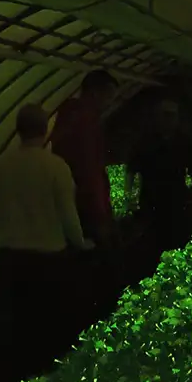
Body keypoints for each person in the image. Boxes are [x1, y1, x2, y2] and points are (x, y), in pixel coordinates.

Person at [0, 104, 94, 346]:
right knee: (48, 329)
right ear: (45, 130)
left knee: (18, 329)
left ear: (18, 130)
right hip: (47, 260)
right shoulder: (55, 166)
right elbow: (68, 214)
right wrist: (81, 243)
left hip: (9, 259)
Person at [49, 69, 120, 249]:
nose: (110, 103)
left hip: (69, 207)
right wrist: (100, 214)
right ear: (95, 93)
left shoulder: (69, 116)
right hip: (86, 210)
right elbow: (90, 172)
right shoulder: (86, 122)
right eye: (109, 96)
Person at [125, 92, 192, 248]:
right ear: (157, 117)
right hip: (150, 202)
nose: (169, 119)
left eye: (172, 115)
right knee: (152, 241)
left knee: (177, 239)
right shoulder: (145, 141)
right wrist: (128, 198)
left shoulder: (185, 142)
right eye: (165, 115)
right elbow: (131, 171)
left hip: (177, 201)